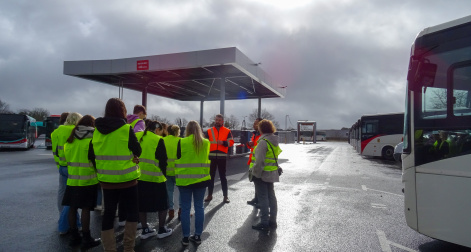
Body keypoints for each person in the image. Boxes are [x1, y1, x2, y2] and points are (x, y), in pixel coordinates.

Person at [89, 98, 142, 252]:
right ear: (122, 110)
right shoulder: (126, 128)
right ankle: (128, 248)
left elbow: (91, 154)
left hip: (106, 180)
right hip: (127, 179)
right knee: (132, 212)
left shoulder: (97, 130)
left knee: (108, 214)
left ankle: (110, 249)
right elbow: (137, 150)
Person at [62, 115, 101, 249]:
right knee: (85, 209)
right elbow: (96, 161)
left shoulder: (70, 141)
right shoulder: (91, 141)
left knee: (72, 208)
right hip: (88, 180)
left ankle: (74, 237)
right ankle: (86, 238)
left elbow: (66, 160)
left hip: (72, 181)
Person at [135, 120, 173, 240]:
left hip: (138, 176)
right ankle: (161, 229)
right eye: (161, 132)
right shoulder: (158, 140)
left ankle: (145, 229)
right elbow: (163, 161)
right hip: (155, 177)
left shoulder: (137, 136)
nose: (161, 134)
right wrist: (164, 175)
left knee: (142, 204)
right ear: (157, 129)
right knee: (162, 204)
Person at [175, 121, 211, 246]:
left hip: (184, 180)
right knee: (199, 207)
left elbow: (177, 157)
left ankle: (185, 238)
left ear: (187, 130)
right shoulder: (206, 143)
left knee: (185, 208)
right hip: (201, 179)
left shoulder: (182, 142)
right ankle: (197, 236)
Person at [51, 112, 83, 235]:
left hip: (62, 167)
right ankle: (65, 224)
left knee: (62, 193)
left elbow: (55, 152)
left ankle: (70, 220)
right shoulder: (76, 131)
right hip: (73, 167)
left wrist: (59, 165)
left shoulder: (56, 132)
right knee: (73, 198)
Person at [250, 119, 281, 231]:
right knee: (272, 197)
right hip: (271, 173)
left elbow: (259, 162)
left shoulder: (263, 142)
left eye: (259, 127)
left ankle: (264, 222)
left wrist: (255, 174)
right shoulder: (274, 140)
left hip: (262, 175)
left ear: (261, 128)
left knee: (263, 199)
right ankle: (273, 221)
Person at [205, 114, 234, 203]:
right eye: (216, 120)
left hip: (222, 157)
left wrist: (224, 143)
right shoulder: (209, 131)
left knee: (223, 177)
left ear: (222, 121)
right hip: (211, 157)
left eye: (219, 120)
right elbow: (205, 142)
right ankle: (209, 195)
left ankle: (225, 196)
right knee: (211, 177)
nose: (217, 121)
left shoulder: (227, 131)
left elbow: (231, 142)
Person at [163, 125, 181, 221]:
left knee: (170, 191)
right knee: (181, 191)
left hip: (167, 170)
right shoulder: (180, 141)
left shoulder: (163, 140)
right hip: (178, 171)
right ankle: (181, 210)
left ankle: (171, 210)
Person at [246, 118, 263, 207]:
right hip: (253, 161)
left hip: (258, 161)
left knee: (259, 183)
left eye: (255, 123)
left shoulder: (262, 135)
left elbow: (261, 147)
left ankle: (260, 201)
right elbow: (253, 147)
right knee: (256, 182)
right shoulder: (255, 134)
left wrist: (253, 144)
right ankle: (256, 199)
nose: (253, 125)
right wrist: (249, 144)